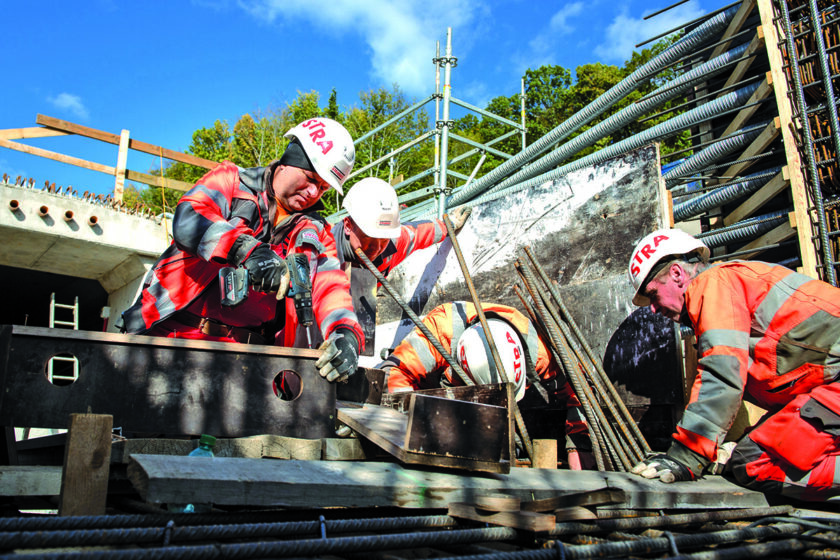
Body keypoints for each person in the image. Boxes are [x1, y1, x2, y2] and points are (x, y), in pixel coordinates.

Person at [119, 117, 363, 383]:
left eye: (324, 187)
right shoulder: (231, 182)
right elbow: (189, 219)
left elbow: (331, 288)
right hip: (169, 340)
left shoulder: (316, 233)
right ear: (289, 161)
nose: (314, 192)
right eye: (310, 178)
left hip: (247, 363)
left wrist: (346, 333)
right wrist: (247, 250)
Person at [627, 227, 840, 501]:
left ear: (677, 274)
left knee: (754, 463)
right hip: (829, 392)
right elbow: (799, 391)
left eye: (653, 294)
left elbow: (722, 374)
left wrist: (687, 456)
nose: (653, 309)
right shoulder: (734, 289)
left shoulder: (713, 283)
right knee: (750, 452)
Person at [378, 300, 592, 469]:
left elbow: (581, 392)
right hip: (435, 410)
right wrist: (416, 426)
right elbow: (393, 372)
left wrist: (579, 444)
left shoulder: (539, 351)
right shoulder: (441, 330)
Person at [331, 176, 471, 276]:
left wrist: (450, 224)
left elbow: (420, 233)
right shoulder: (324, 251)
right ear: (348, 226)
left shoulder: (393, 244)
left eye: (384, 239)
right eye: (369, 237)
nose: (377, 248)